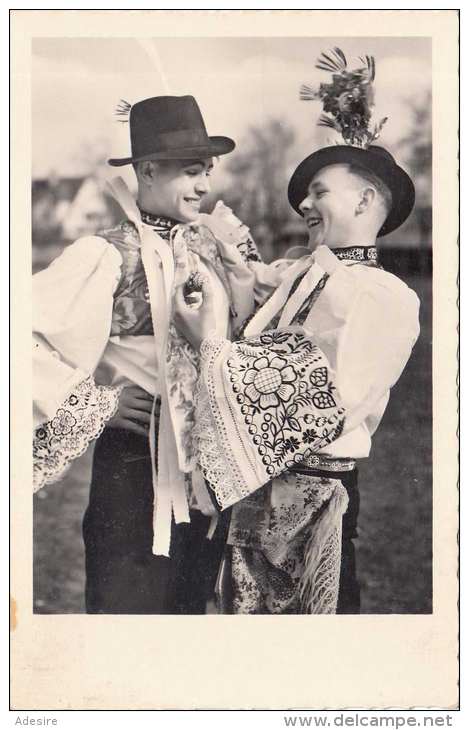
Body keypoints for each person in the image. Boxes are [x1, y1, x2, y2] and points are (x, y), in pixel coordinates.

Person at [173, 54, 421, 614]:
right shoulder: (298, 275)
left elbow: (316, 395)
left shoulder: (382, 297)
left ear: (363, 199)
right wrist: (236, 285)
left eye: (318, 191)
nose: (304, 204)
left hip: (313, 501)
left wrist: (212, 339)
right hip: (257, 494)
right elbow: (258, 328)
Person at [33, 95, 260, 614]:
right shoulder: (106, 253)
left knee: (188, 615)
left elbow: (235, 351)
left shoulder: (211, 252)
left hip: (206, 476)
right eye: (189, 171)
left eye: (206, 171)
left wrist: (240, 279)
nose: (203, 185)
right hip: (133, 468)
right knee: (126, 612)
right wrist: (95, 404)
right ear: (149, 171)